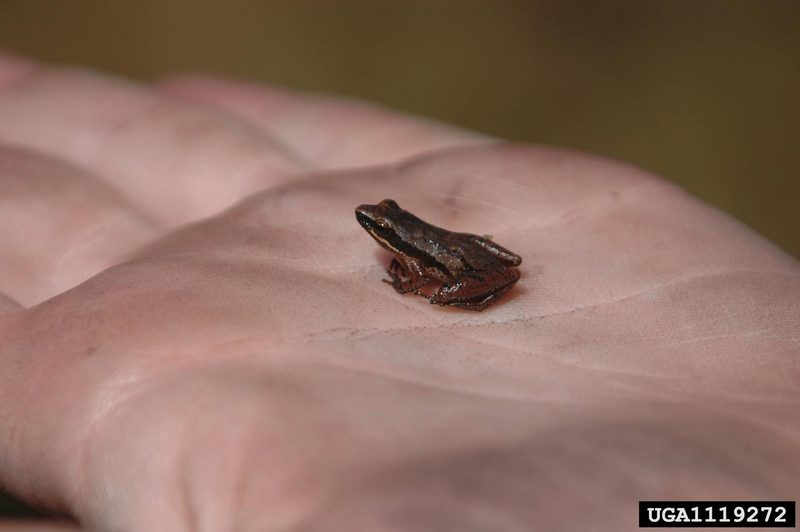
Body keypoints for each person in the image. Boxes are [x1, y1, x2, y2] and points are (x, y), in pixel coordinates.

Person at [0, 51, 797, 531]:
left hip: (465, 263)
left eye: (374, 227)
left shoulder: (401, 249)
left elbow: (436, 265)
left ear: (385, 233)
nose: (370, 228)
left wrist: (429, 285)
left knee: (447, 277)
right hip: (476, 249)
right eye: (376, 227)